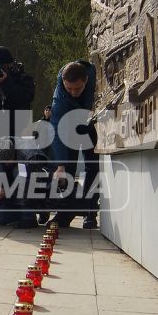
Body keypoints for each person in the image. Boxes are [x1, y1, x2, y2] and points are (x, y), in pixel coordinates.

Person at [50, 59, 100, 230]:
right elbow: (57, 131)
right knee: (68, 168)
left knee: (93, 166)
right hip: (69, 124)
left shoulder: (96, 74)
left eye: (77, 89)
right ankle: (65, 213)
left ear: (86, 80)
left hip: (94, 122)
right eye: (68, 88)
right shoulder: (60, 99)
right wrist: (60, 166)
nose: (72, 93)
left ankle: (90, 212)